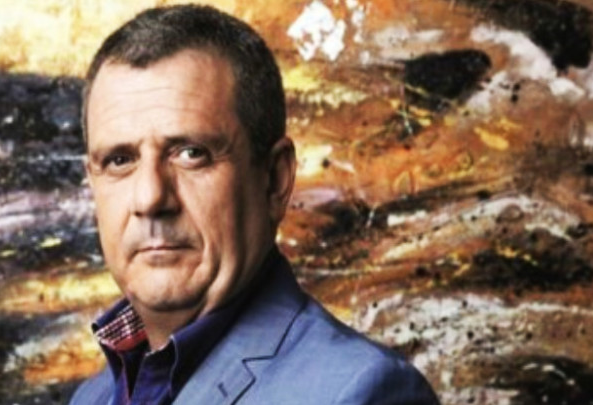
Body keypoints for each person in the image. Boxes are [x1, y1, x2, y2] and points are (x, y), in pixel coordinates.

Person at [70, 4, 440, 405]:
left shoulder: (364, 392)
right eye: (119, 160)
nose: (150, 198)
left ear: (275, 180)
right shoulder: (91, 398)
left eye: (192, 153)